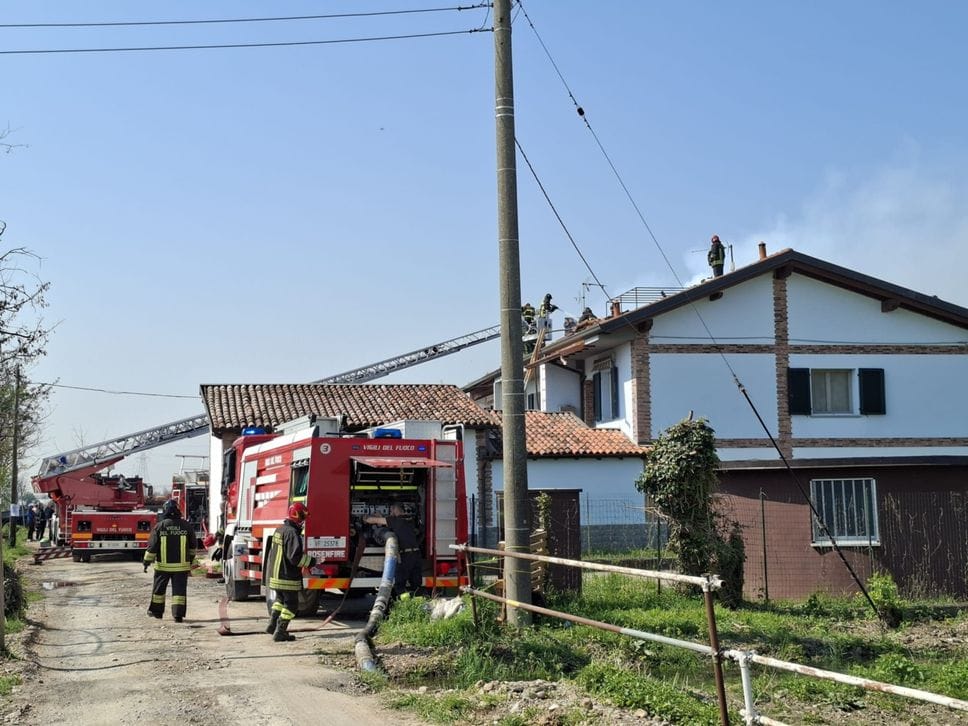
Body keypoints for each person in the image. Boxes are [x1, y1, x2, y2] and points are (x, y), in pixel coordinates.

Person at [263, 502, 317, 642]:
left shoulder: (279, 530)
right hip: (287, 577)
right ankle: (280, 631)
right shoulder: (292, 534)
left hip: (275, 576)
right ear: (297, 516)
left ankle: (272, 625)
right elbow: (295, 558)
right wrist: (313, 562)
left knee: (280, 600)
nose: (303, 521)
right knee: (292, 605)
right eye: (302, 517)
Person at [143, 499, 195, 623]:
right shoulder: (186, 525)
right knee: (179, 592)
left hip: (162, 567)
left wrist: (146, 562)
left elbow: (152, 547)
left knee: (159, 591)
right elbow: (193, 546)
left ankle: (157, 612)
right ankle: (178, 615)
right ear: (178, 510)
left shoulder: (160, 526)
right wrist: (190, 561)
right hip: (181, 567)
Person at [364, 503, 422, 599]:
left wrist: (365, 518)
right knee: (417, 584)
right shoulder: (411, 519)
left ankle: (405, 604)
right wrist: (382, 517)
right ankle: (419, 605)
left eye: (392, 510)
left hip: (405, 557)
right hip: (416, 555)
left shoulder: (394, 520)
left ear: (396, 510)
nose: (391, 512)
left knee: (399, 585)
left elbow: (373, 520)